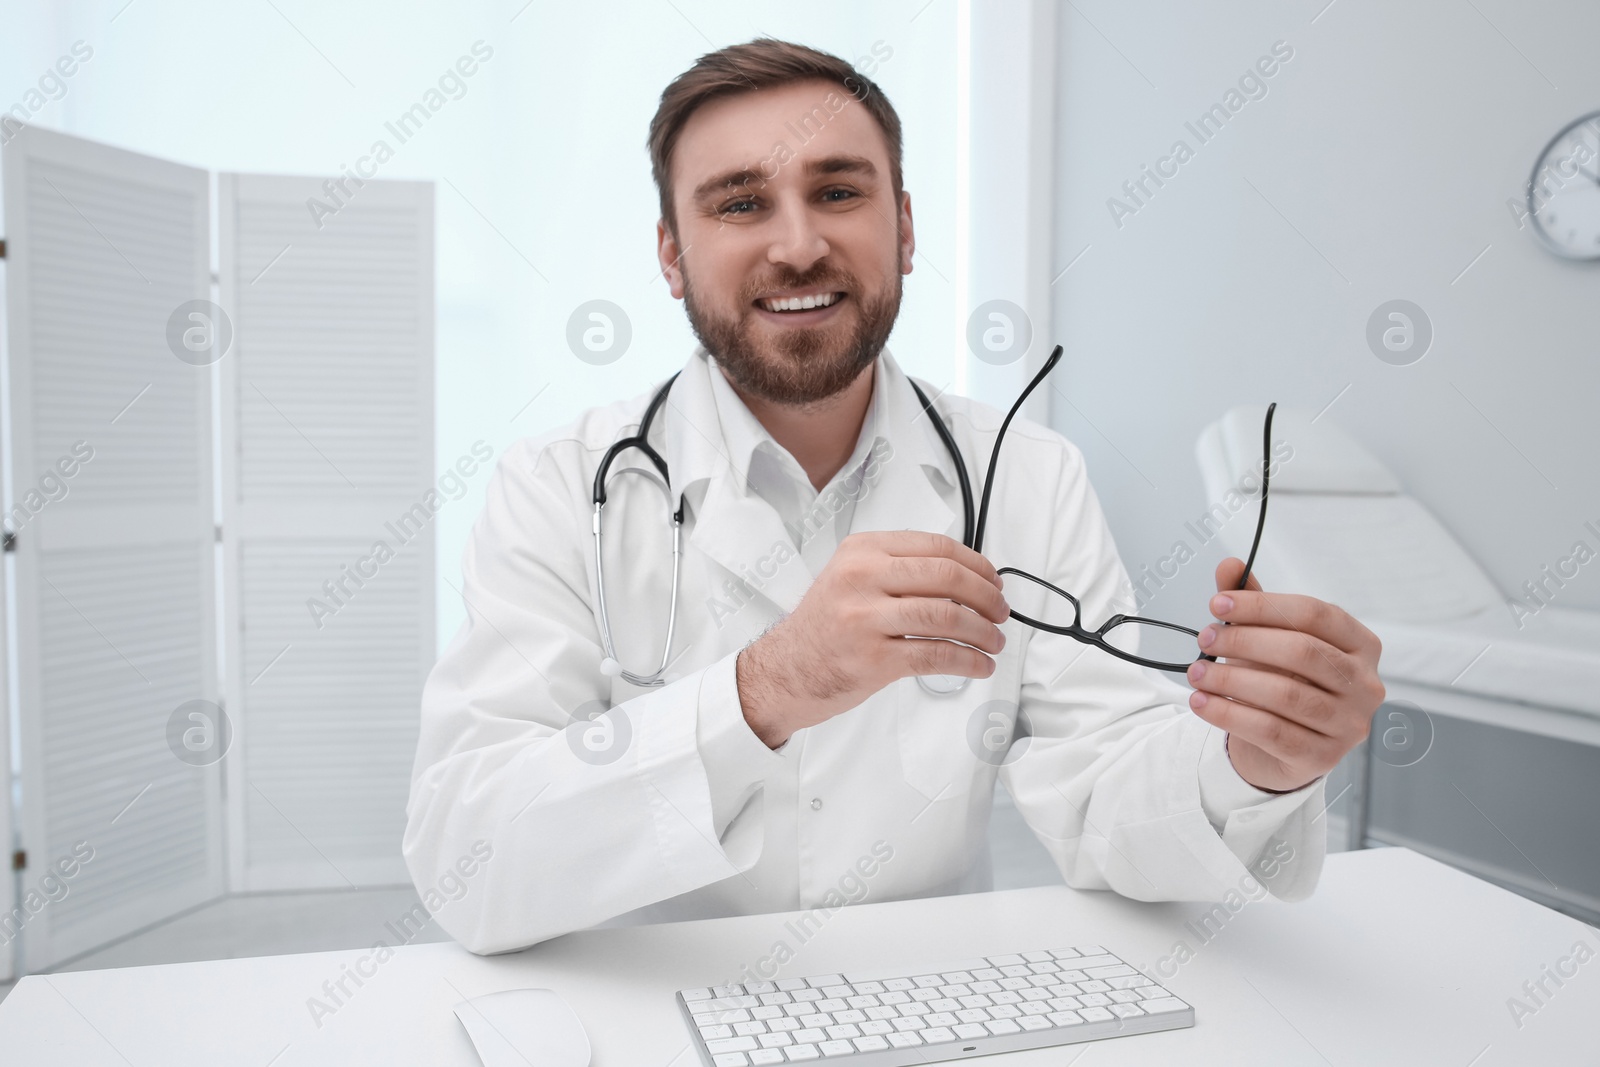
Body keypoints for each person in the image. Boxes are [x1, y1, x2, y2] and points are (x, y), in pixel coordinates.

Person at [403, 37, 1385, 955]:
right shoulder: (558, 486)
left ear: (904, 227)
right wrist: (762, 690)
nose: (796, 245)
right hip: (648, 1013)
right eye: (738, 204)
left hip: (931, 1012)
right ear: (671, 255)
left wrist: (1256, 764)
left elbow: (1104, 794)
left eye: (837, 190)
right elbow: (464, 857)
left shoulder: (1028, 475)